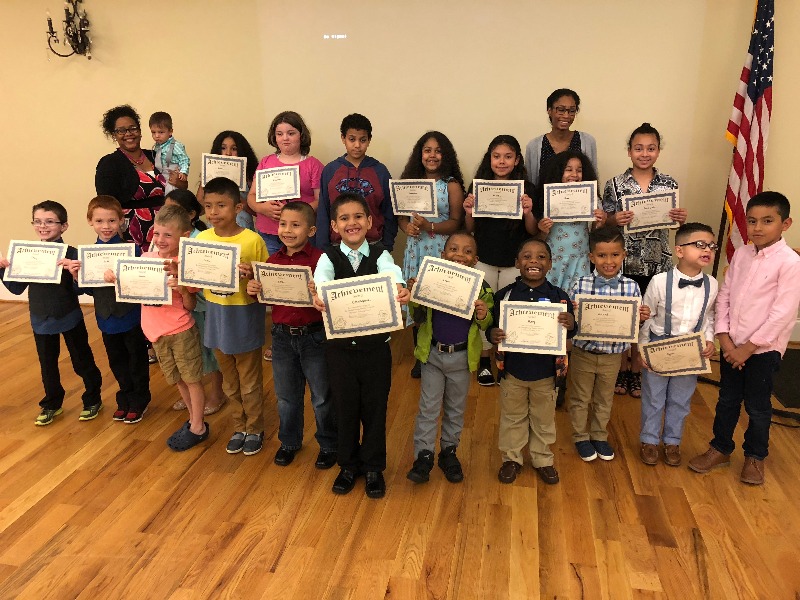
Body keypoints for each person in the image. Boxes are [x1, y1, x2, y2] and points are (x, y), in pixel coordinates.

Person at [688, 192, 800, 485]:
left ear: (785, 223)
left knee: (758, 407)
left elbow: (782, 313)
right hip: (732, 347)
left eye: (767, 221)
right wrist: (725, 338)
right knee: (727, 399)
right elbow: (725, 295)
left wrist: (748, 349)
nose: (758, 228)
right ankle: (720, 448)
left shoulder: (790, 263)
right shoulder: (742, 254)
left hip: (762, 351)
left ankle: (755, 456)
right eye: (752, 221)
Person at [312, 192, 410, 498]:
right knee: (345, 408)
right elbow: (322, 279)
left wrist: (399, 286)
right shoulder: (328, 257)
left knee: (375, 408)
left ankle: (373, 467)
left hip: (375, 349)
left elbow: (392, 272)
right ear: (334, 225)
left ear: (369, 221)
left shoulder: (380, 254)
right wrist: (319, 295)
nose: (352, 223)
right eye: (344, 218)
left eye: (358, 217)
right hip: (339, 351)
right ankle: (348, 465)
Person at [107, 204, 208, 449]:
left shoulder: (185, 265)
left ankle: (198, 426)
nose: (160, 240)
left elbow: (191, 303)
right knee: (178, 380)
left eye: (168, 235)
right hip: (155, 333)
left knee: (192, 379)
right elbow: (133, 287)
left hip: (181, 330)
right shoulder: (146, 259)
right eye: (157, 233)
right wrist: (115, 278)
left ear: (184, 237)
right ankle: (192, 418)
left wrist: (181, 286)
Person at [246, 202, 337, 469]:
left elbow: (330, 299)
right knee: (286, 396)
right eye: (283, 224)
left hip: (315, 337)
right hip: (283, 338)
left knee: (322, 396)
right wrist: (255, 289)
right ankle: (289, 442)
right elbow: (267, 302)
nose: (287, 230)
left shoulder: (322, 261)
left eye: (295, 225)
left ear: (310, 230)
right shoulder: (272, 262)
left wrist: (318, 291)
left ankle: (329, 444)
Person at [602, 123, 687, 398]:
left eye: (651, 148)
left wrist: (678, 220)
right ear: (629, 152)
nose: (644, 153)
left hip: (656, 263)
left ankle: (637, 371)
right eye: (638, 148)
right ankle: (621, 369)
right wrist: (616, 219)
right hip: (624, 262)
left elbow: (671, 225)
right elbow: (604, 224)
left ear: (658, 151)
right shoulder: (614, 184)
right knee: (624, 316)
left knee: (646, 318)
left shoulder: (669, 184)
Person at [0, 201, 103, 426]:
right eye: (37, 222)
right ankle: (52, 403)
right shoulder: (27, 254)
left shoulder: (72, 253)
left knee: (81, 360)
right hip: (40, 318)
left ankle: (93, 398)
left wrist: (74, 271)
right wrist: (3, 268)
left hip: (69, 316)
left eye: (49, 222)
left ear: (64, 226)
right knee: (48, 364)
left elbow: (81, 289)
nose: (42, 226)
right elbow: (16, 288)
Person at [485, 239, 576, 485]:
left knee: (543, 419)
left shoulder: (560, 298)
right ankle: (511, 459)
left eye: (541, 257)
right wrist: (492, 334)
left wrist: (571, 323)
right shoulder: (504, 297)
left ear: (550, 264)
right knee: (512, 417)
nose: (533, 261)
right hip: (513, 371)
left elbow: (571, 332)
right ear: (517, 263)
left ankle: (542, 459)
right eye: (526, 256)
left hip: (546, 374)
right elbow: (492, 328)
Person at [405, 232, 492, 484]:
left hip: (462, 360)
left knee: (455, 410)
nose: (460, 255)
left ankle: (449, 452)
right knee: (428, 408)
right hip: (433, 355)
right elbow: (419, 317)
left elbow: (486, 322)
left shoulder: (483, 288)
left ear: (475, 260)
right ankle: (423, 456)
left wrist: (483, 312)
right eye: (453, 249)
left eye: (467, 252)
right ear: (442, 255)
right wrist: (415, 294)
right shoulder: (430, 281)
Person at [196, 177, 268, 456]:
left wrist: (252, 273)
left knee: (249, 378)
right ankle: (239, 425)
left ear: (238, 206)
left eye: (221, 206)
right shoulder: (202, 239)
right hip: (215, 314)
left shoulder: (253, 240)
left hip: (244, 314)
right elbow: (195, 278)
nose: (214, 212)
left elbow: (266, 282)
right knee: (229, 378)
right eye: (209, 206)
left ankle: (255, 427)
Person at [638, 223, 719, 466]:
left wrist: (709, 339)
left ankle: (672, 441)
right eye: (699, 245)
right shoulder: (660, 282)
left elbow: (709, 317)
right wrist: (643, 347)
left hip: (691, 349)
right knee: (654, 397)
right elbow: (647, 315)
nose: (707, 250)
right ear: (680, 251)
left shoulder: (712, 284)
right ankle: (649, 439)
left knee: (681, 399)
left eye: (711, 246)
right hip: (659, 345)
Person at [568, 227, 650, 462]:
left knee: (604, 398)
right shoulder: (580, 284)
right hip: (584, 351)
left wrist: (640, 317)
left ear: (623, 255)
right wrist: (572, 313)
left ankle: (599, 435)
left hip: (614, 355)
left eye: (614, 255)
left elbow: (633, 326)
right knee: (580, 397)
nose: (609, 261)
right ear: (591, 257)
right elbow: (570, 321)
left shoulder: (631, 287)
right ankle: (580, 436)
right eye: (602, 255)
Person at [67, 195, 151, 423]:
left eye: (112, 221)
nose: (106, 227)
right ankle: (124, 397)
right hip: (106, 318)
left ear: (121, 220)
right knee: (116, 361)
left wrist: (122, 278)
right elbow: (87, 291)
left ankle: (140, 399)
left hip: (131, 316)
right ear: (90, 221)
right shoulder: (88, 255)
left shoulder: (131, 250)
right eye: (100, 221)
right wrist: (76, 277)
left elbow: (142, 284)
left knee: (136, 359)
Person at [463, 135, 537, 385]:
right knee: (483, 309)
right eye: (497, 156)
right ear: (490, 158)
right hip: (483, 258)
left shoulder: (527, 188)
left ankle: (507, 358)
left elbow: (534, 231)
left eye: (508, 156)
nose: (502, 161)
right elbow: (469, 227)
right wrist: (469, 211)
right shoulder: (478, 186)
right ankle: (485, 359)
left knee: (509, 311)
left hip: (514, 262)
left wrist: (528, 212)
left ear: (517, 160)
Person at [397, 131, 465, 378]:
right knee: (417, 303)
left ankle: (438, 355)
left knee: (438, 303)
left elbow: (457, 222)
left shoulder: (451, 184)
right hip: (415, 250)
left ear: (445, 155)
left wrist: (430, 227)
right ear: (420, 154)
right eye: (427, 150)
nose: (432, 155)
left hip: (440, 251)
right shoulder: (409, 182)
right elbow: (401, 219)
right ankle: (420, 354)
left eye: (438, 151)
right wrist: (408, 228)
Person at [162, 190, 226, 416]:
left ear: (190, 214)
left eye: (176, 210)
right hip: (182, 307)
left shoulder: (200, 237)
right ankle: (193, 394)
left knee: (211, 349)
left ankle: (217, 393)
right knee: (193, 350)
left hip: (204, 303)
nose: (169, 215)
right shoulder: (164, 238)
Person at [95, 104, 187, 252]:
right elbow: (106, 205)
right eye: (121, 131)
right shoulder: (109, 163)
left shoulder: (156, 155)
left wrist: (181, 183)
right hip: (131, 235)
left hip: (166, 232)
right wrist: (117, 241)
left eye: (132, 128)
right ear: (114, 135)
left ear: (140, 131)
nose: (128, 133)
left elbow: (180, 189)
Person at [315, 113, 397, 252]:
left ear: (369, 140)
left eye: (363, 140)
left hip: (373, 245)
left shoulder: (380, 171)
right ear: (343, 138)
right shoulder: (331, 170)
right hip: (337, 246)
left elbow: (389, 211)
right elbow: (323, 210)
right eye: (352, 139)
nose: (357, 145)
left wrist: (386, 245)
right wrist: (323, 247)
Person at [247, 111, 324, 256]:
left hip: (300, 234)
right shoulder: (266, 162)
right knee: (272, 274)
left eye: (291, 133)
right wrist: (262, 208)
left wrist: (293, 212)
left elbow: (320, 201)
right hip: (269, 233)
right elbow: (251, 196)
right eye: (279, 134)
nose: (285, 138)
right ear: (274, 137)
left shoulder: (313, 165)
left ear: (301, 135)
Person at [535, 150, 606, 292]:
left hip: (579, 260)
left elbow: (594, 234)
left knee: (576, 299)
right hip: (553, 260)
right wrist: (543, 230)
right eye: (568, 170)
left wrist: (599, 223)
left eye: (579, 170)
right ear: (558, 172)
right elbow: (540, 239)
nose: (574, 174)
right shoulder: (547, 199)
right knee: (550, 299)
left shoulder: (591, 199)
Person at [524, 88, 598, 187]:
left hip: (579, 201)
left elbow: (592, 180)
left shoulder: (587, 141)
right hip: (543, 202)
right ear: (549, 110)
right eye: (561, 110)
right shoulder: (534, 146)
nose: (566, 115)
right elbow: (531, 184)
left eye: (572, 111)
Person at [196, 131, 259, 231]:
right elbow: (200, 206)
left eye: (234, 149)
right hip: (216, 224)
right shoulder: (210, 172)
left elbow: (257, 211)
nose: (228, 153)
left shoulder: (250, 176)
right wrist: (205, 180)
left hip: (241, 225)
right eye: (223, 148)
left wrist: (240, 201)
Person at [149, 111, 190, 195]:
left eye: (161, 132)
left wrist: (183, 172)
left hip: (172, 174)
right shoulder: (157, 146)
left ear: (170, 132)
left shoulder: (176, 145)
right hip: (161, 174)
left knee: (171, 194)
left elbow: (184, 159)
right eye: (153, 132)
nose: (156, 136)